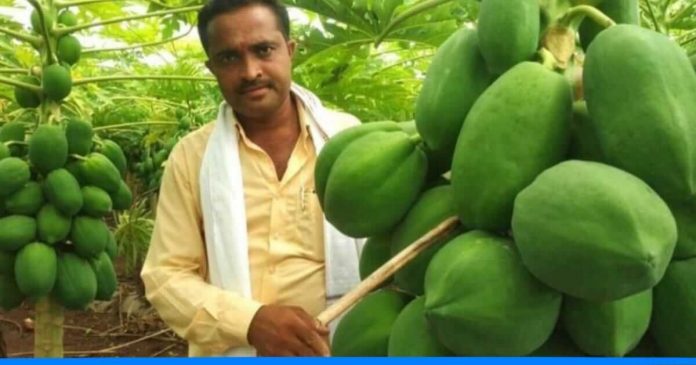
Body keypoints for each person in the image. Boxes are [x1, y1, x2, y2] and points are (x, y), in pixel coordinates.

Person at [141, 0, 364, 358]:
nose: (250, 71)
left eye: (264, 50)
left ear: (290, 51)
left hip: (344, 346)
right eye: (229, 58)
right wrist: (251, 322)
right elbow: (166, 276)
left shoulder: (349, 139)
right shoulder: (191, 157)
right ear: (211, 67)